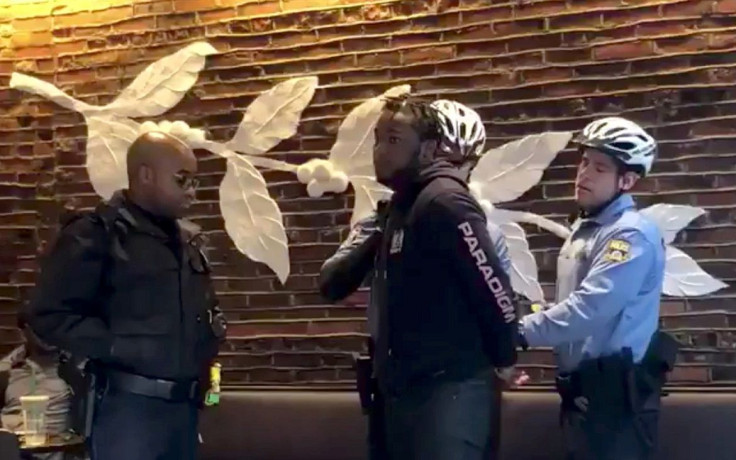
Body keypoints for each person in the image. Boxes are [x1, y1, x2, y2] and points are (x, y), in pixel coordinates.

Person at [319, 99, 512, 460]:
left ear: (427, 149)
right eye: (378, 139)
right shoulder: (396, 211)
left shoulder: (446, 202)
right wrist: (382, 228)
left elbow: (495, 291)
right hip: (398, 389)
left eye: (393, 140)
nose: (379, 151)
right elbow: (331, 283)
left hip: (445, 392)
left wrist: (507, 353)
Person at [27, 131, 226, 460]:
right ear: (146, 175)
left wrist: (213, 392)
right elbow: (49, 315)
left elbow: (208, 321)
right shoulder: (97, 234)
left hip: (185, 412)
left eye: (195, 182)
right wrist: (116, 344)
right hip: (128, 411)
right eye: (182, 180)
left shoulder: (189, 240)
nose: (192, 192)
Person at [518, 117, 672, 459]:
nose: (584, 173)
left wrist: (519, 332)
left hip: (615, 403)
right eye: (584, 161)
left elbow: (590, 308)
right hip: (583, 396)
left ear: (627, 180)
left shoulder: (629, 234)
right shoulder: (586, 229)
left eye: (600, 168)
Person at [1, 311, 73, 460]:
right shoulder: (7, 369)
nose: (48, 334)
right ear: (24, 332)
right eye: (40, 328)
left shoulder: (77, 367)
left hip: (58, 450)